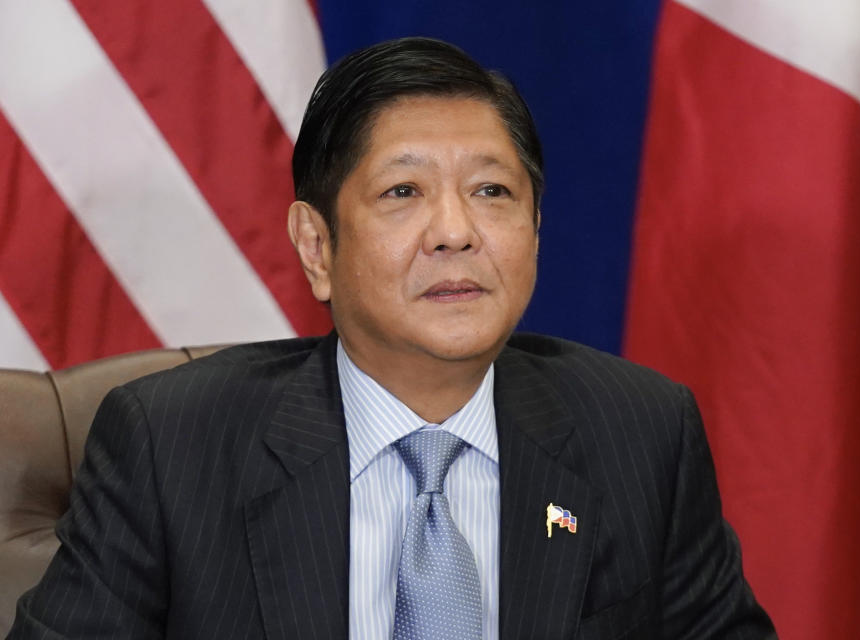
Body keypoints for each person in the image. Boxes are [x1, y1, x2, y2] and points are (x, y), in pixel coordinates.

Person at [9, 37, 776, 639]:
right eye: (403, 191)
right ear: (316, 247)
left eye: (492, 192)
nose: (455, 232)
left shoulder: (640, 432)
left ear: (535, 230)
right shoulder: (171, 446)